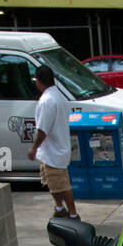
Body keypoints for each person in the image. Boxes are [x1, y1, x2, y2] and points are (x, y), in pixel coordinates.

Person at [27, 64, 79, 218]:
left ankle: (73, 214)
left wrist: (34, 148)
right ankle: (59, 207)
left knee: (62, 185)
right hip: (52, 149)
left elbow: (43, 129)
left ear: (39, 80)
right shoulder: (58, 96)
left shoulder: (47, 101)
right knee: (51, 183)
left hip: (54, 151)